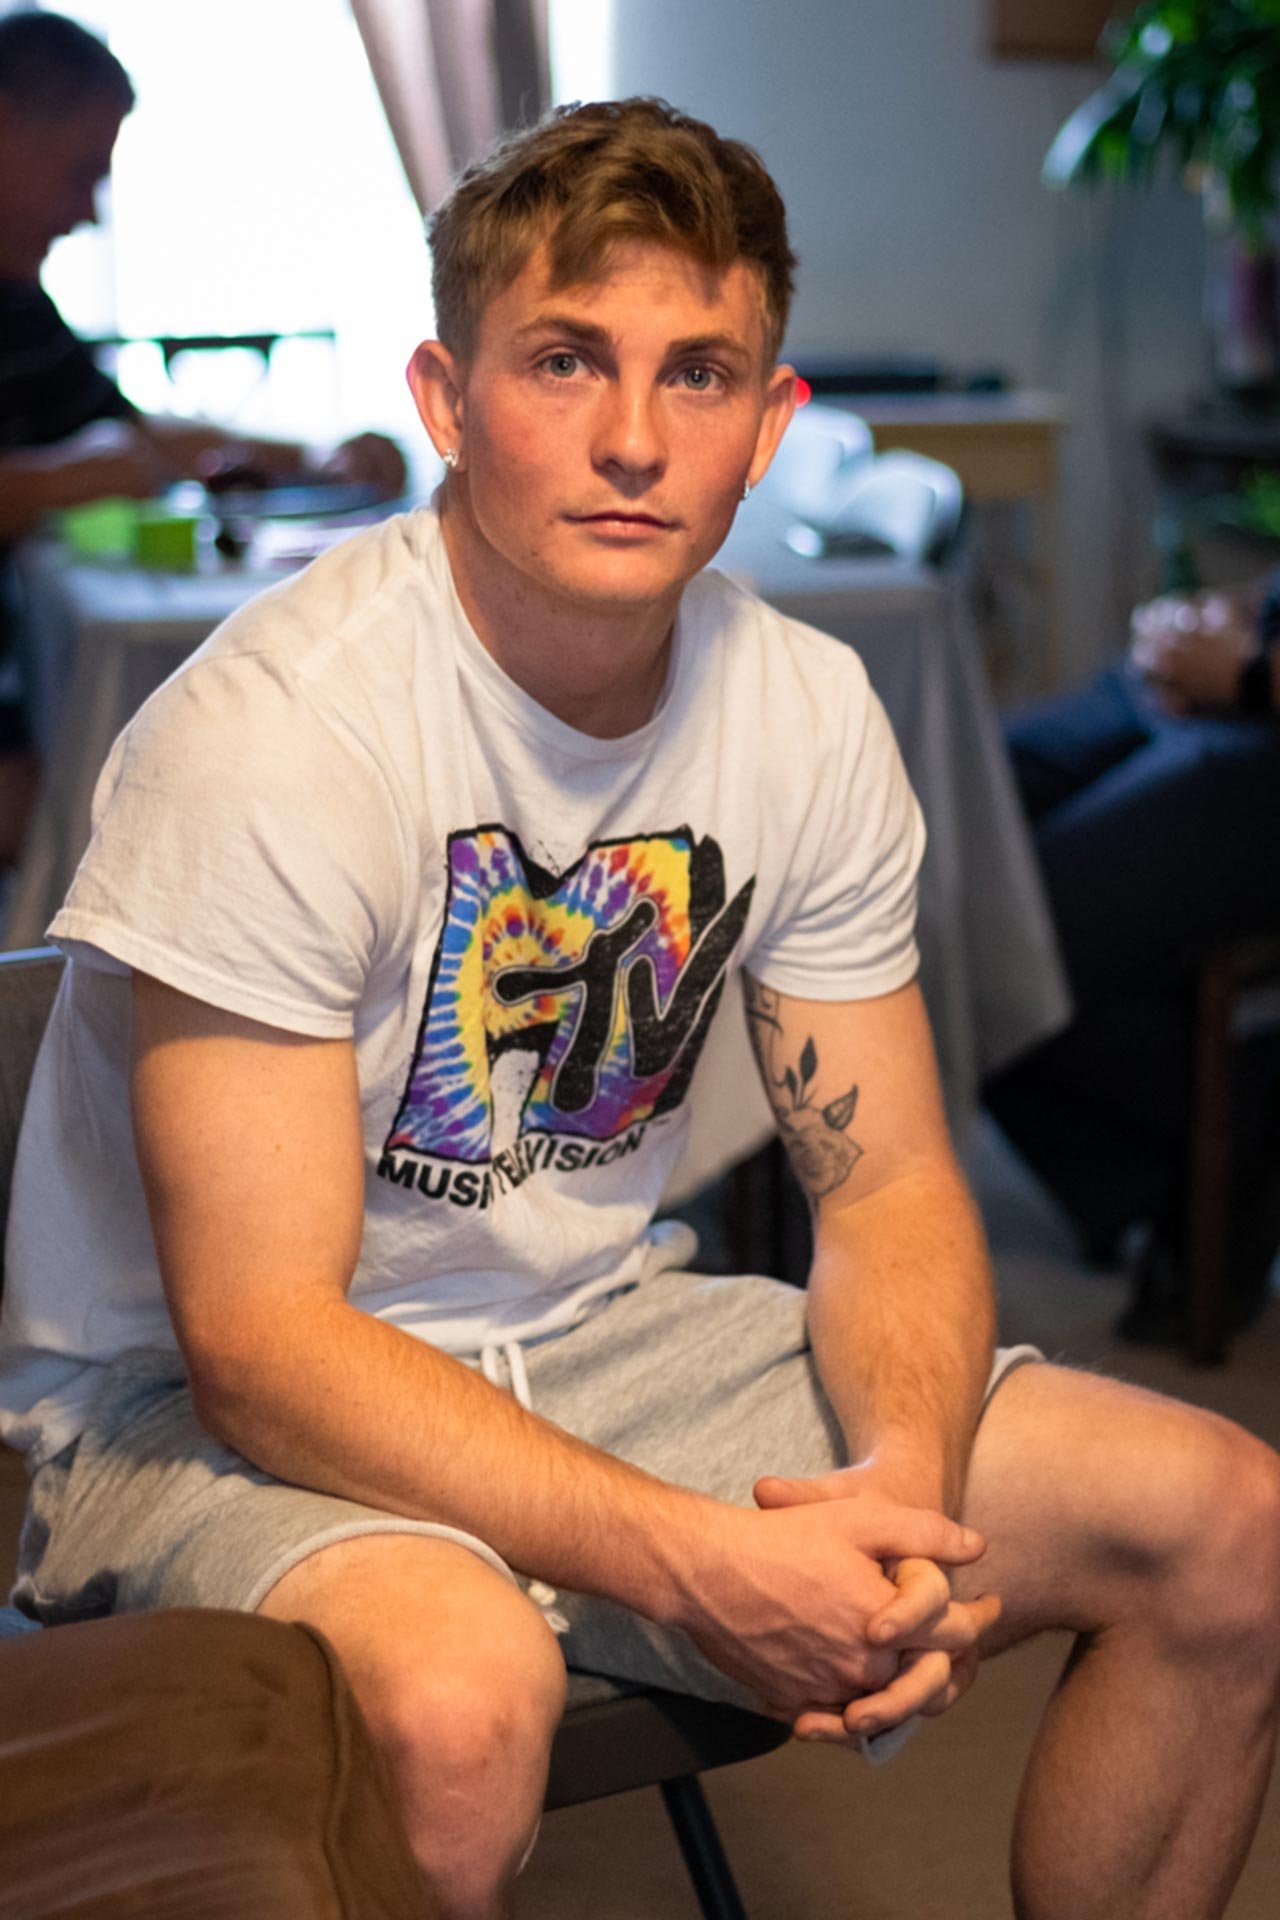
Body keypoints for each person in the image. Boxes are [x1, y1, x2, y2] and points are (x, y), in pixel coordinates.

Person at [0, 93, 1277, 1920]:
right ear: (447, 403)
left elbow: (894, 1181)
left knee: (1227, 1525)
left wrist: (896, 1499)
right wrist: (699, 1565)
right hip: (193, 1410)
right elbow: (259, 1343)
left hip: (591, 1328)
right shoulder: (272, 737)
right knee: (460, 1700)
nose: (627, 440)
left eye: (697, 375)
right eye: (563, 360)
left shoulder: (811, 711)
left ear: (769, 426)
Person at [0, 9, 406, 866]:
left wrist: (320, 456)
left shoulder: (17, 309)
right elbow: (100, 459)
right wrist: (53, 482)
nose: (87, 213)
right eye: (79, 174)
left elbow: (140, 436)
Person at [985, 572, 1280, 1340]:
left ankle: (1232, 1148)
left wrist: (1252, 670)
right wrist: (1211, 621)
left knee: (1021, 925)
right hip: (1235, 682)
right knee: (949, 816)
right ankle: (1177, 1174)